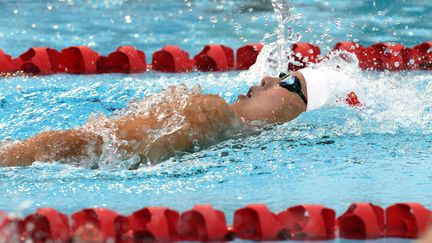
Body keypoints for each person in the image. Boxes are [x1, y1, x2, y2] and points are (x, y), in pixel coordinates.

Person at [0, 64, 362, 167]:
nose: (267, 78)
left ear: (299, 110)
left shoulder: (207, 111)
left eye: (287, 80)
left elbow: (85, 144)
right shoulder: (216, 120)